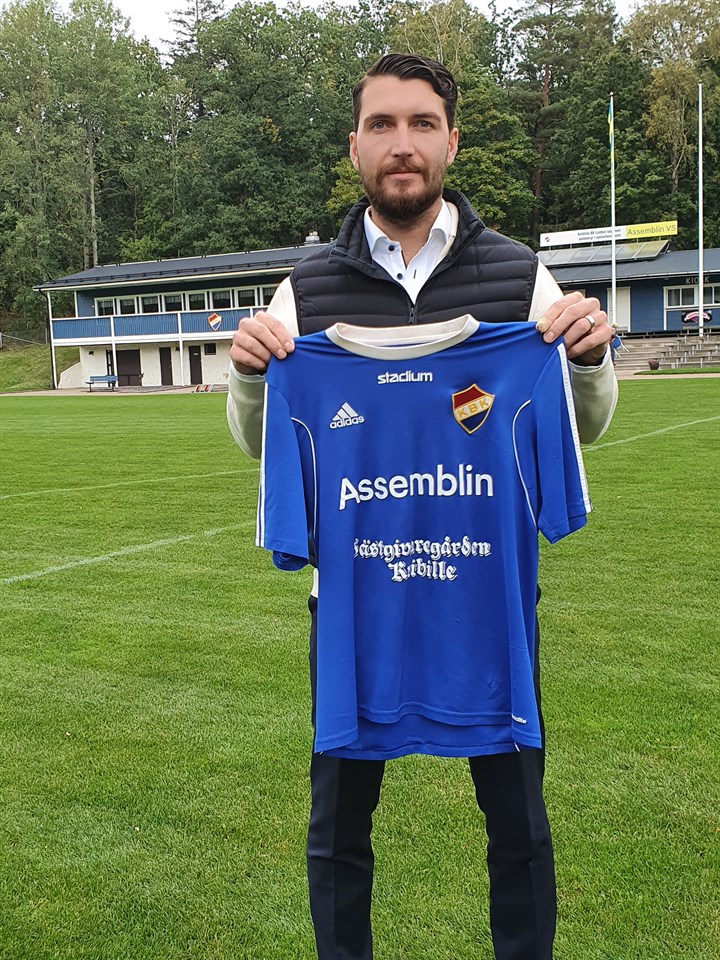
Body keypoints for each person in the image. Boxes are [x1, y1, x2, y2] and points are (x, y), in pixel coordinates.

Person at [227, 54, 617, 960]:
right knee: (337, 827)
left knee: (519, 823)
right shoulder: (305, 290)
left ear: (450, 141)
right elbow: (261, 443)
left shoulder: (520, 275)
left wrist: (589, 357)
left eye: (421, 124)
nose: (401, 144)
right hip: (351, 605)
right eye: (382, 125)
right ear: (355, 147)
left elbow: (582, 427)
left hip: (487, 600)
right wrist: (249, 376)